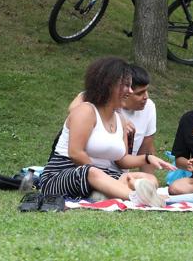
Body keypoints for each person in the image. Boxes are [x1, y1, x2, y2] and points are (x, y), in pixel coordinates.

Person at [40, 57, 176, 207]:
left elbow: (122, 159)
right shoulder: (86, 111)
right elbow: (76, 153)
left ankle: (103, 193)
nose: (130, 91)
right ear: (109, 85)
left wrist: (148, 158)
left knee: (149, 179)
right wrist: (104, 177)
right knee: (92, 172)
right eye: (126, 86)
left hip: (101, 175)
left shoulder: (120, 120)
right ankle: (137, 197)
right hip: (64, 173)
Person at [68, 64, 158, 173]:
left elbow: (146, 148)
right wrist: (118, 122)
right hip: (88, 170)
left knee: (149, 182)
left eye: (146, 91)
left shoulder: (149, 107)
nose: (146, 97)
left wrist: (148, 177)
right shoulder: (94, 100)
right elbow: (74, 112)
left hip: (117, 172)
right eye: (139, 93)